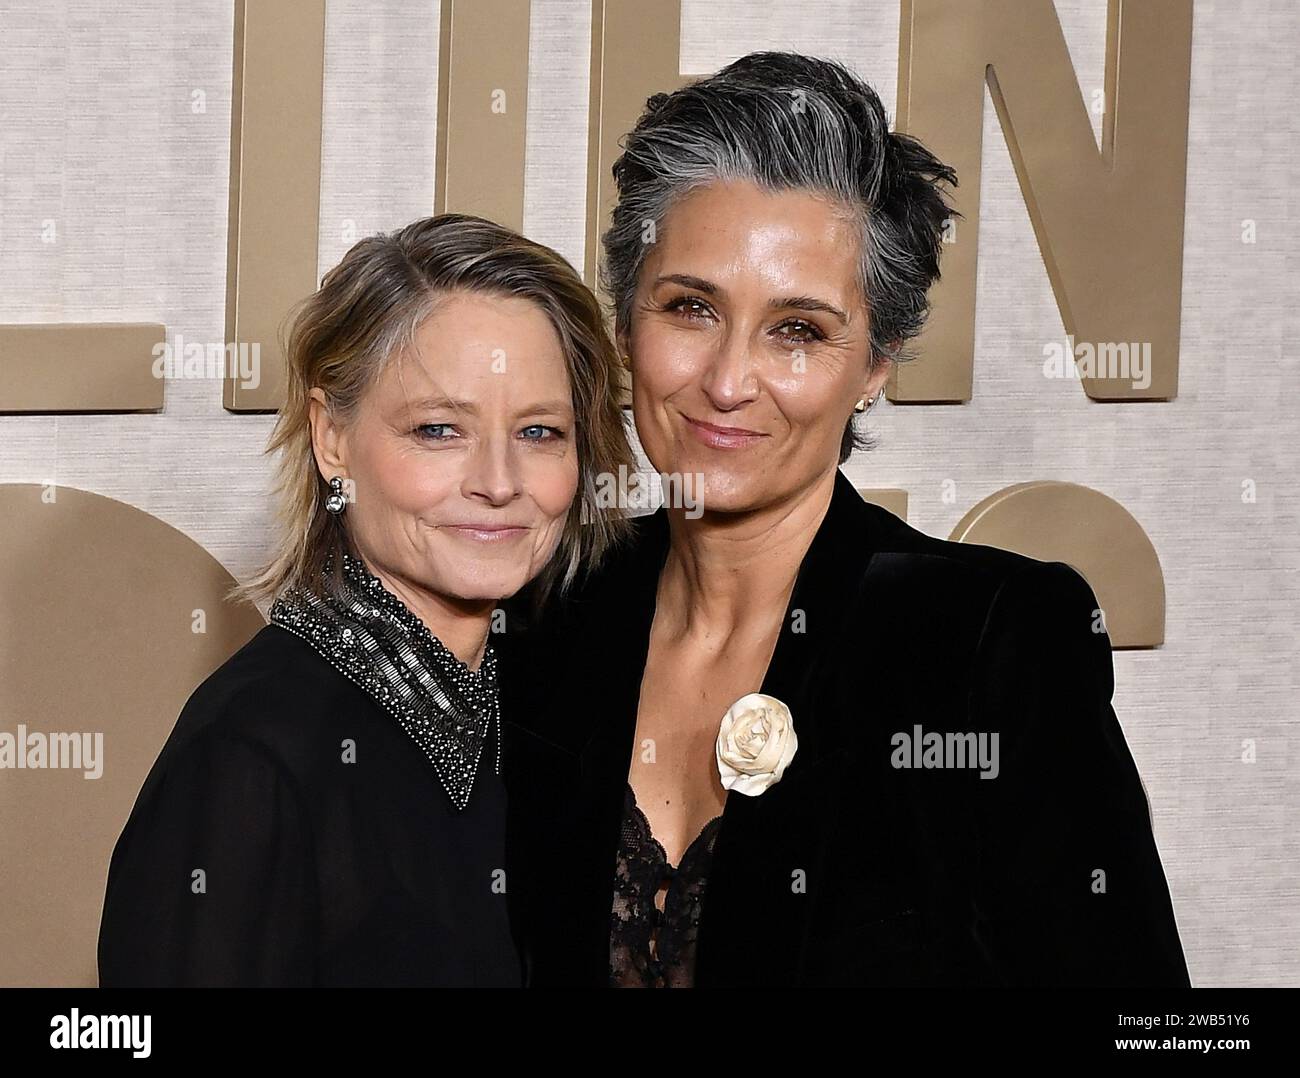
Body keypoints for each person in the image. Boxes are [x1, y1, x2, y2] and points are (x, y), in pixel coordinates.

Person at [497, 52, 1191, 987]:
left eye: (798, 330)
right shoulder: (542, 618)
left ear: (876, 365)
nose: (729, 382)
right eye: (691, 308)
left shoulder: (989, 642)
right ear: (627, 321)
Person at [97, 214, 635, 986]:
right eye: (440, 428)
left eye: (540, 432)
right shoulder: (249, 758)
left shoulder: (552, 708)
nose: (499, 481)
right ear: (333, 438)